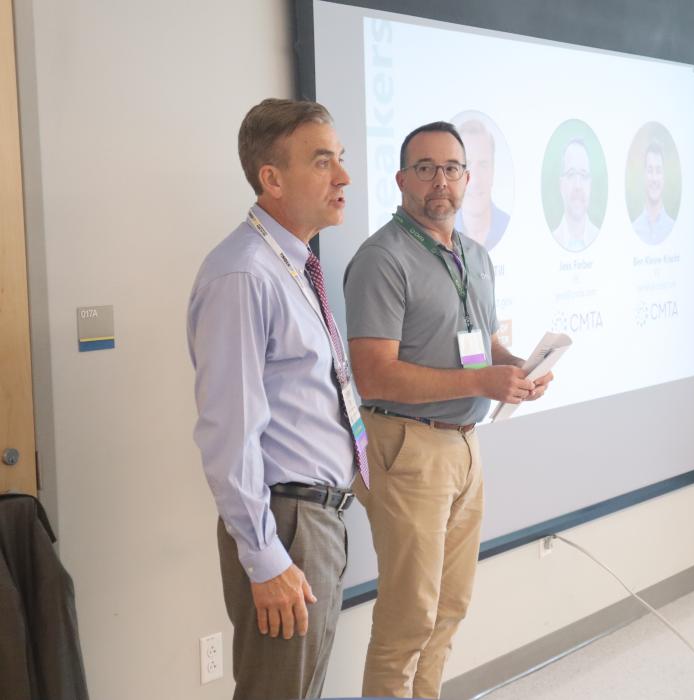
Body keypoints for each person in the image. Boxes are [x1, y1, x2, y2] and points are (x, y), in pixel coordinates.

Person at [343, 121, 553, 698]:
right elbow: (373, 374)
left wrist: (517, 369)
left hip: (464, 444)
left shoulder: (474, 255)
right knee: (409, 620)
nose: (441, 180)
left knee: (448, 610)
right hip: (406, 445)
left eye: (452, 168)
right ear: (401, 180)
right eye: (426, 168)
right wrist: (482, 379)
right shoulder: (381, 259)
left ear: (467, 178)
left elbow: (482, 345)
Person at [187, 98, 365, 699]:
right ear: (272, 178)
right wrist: (265, 558)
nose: (343, 176)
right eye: (323, 161)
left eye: (340, 158)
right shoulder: (244, 274)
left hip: (315, 519)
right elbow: (228, 432)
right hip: (285, 525)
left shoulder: (292, 263)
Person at [453, 118, 511, 250]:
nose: (475, 180)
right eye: (466, 165)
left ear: (493, 171)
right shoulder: (440, 234)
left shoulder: (509, 226)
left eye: (483, 165)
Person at [550, 138, 600, 252]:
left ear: (590, 185)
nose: (578, 185)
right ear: (561, 185)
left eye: (584, 175)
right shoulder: (551, 240)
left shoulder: (602, 238)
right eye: (571, 174)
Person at [632, 141, 675, 244]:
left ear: (664, 177)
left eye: (658, 171)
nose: (654, 178)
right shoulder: (633, 229)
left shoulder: (674, 228)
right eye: (650, 171)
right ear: (644, 175)